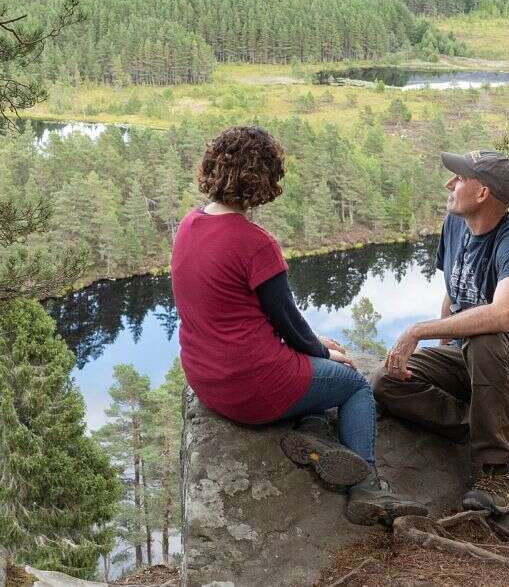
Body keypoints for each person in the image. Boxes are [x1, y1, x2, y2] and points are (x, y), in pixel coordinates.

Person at [170, 125, 425, 526]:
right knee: (353, 383)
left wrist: (310, 346)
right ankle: (368, 489)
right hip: (253, 388)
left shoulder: (189, 224)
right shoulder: (255, 243)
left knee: (317, 372)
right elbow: (288, 323)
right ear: (264, 178)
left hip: (208, 382)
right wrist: (324, 352)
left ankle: (314, 434)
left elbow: (242, 316)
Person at [372, 149, 509, 517]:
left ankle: (499, 472)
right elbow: (452, 291)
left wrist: (418, 331)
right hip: (466, 360)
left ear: (482, 193)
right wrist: (441, 350)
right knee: (385, 382)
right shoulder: (455, 224)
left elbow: (502, 316)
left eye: (458, 178)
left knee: (485, 340)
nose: (448, 184)